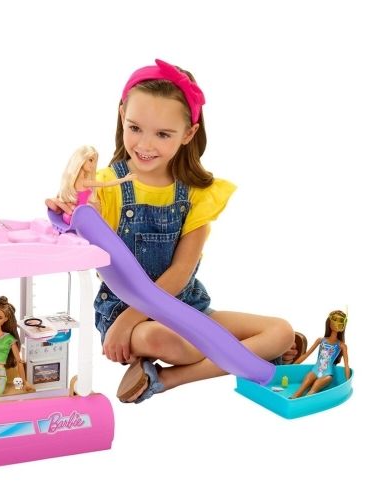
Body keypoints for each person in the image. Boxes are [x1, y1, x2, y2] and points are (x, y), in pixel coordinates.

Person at [47, 59, 303, 403]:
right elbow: (83, 236)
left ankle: (168, 379)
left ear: (188, 134)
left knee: (281, 331)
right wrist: (66, 211)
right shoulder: (105, 186)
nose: (145, 144)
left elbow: (181, 271)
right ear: (122, 115)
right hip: (128, 317)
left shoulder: (197, 194)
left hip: (187, 308)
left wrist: (136, 319)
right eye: (135, 128)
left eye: (163, 134)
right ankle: (246, 355)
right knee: (163, 340)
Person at [57, 145, 136, 224]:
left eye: (94, 161)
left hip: (79, 214)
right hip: (79, 217)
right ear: (81, 159)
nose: (93, 164)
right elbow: (105, 184)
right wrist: (124, 179)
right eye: (91, 160)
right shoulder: (84, 182)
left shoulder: (77, 180)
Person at [290, 310, 350, 398]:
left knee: (313, 389)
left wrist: (348, 382)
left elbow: (346, 365)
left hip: (327, 374)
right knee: (301, 388)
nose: (336, 324)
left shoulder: (341, 345)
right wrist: (292, 366)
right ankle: (292, 399)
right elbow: (306, 355)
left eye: (340, 322)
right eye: (335, 320)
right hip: (315, 370)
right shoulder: (321, 340)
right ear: (329, 323)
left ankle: (303, 402)